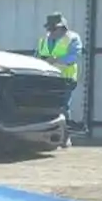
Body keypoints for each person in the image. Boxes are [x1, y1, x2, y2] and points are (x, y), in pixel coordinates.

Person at [36, 11, 81, 146]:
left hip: (65, 79)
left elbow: (73, 57)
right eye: (49, 29)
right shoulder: (44, 40)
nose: (51, 31)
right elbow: (37, 56)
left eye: (53, 28)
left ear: (62, 27)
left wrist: (55, 60)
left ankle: (65, 136)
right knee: (44, 107)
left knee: (63, 107)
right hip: (47, 79)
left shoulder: (73, 38)